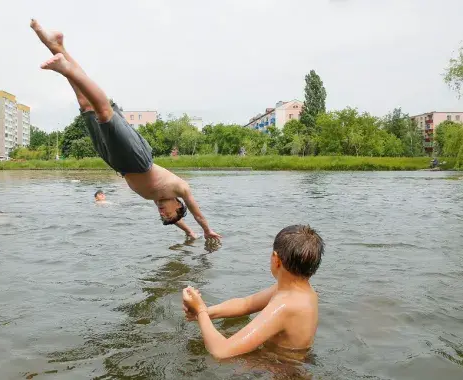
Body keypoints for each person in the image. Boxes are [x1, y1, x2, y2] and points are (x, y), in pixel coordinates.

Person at [30, 19, 220, 241]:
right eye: (167, 214)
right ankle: (66, 69)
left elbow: (178, 220)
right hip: (139, 160)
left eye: (163, 217)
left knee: (86, 106)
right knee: (104, 114)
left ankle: (56, 45)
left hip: (117, 163)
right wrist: (206, 230)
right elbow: (197, 214)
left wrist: (189, 233)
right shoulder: (181, 189)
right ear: (178, 205)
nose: (162, 213)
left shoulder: (157, 199)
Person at [182, 225, 324, 359]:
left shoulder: (286, 305)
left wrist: (200, 310)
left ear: (276, 259)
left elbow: (221, 352)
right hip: (288, 361)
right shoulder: (300, 291)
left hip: (284, 371)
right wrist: (206, 312)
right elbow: (246, 304)